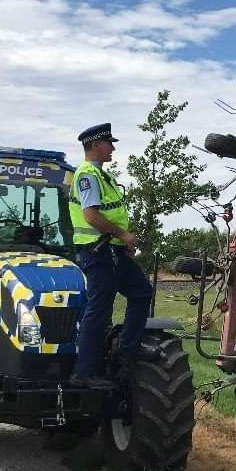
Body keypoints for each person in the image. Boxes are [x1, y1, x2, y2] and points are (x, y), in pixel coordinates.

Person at [68, 123, 163, 389]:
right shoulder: (87, 175)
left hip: (113, 251)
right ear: (96, 145)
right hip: (99, 252)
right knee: (98, 309)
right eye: (109, 143)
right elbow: (91, 216)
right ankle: (84, 372)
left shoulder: (101, 175)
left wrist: (123, 242)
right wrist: (123, 235)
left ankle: (127, 349)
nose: (113, 148)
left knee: (142, 292)